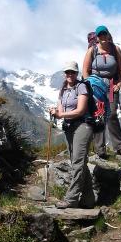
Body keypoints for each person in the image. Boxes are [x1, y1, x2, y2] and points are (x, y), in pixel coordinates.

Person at [48, 61, 96, 209]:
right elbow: (61, 109)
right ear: (65, 73)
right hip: (69, 127)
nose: (70, 74)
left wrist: (61, 114)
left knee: (77, 163)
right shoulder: (63, 89)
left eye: (73, 72)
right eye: (68, 72)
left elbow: (81, 110)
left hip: (83, 125)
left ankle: (71, 199)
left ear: (77, 73)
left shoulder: (81, 86)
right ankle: (88, 199)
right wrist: (55, 112)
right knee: (79, 163)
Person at [82, 25, 121, 157]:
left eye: (104, 34)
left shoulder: (115, 49)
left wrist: (119, 83)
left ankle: (119, 147)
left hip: (112, 85)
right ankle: (100, 150)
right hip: (96, 85)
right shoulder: (92, 50)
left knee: (111, 114)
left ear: (108, 35)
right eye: (100, 35)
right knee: (99, 115)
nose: (102, 37)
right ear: (97, 37)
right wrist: (89, 84)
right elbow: (85, 70)